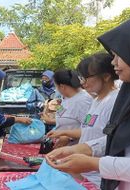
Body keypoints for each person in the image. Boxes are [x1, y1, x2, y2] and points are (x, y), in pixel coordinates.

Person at [46, 14, 130, 190]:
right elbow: (122, 139)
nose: (113, 63)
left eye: (119, 56)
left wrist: (94, 163)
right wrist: (84, 149)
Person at [46, 52, 119, 186]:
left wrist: (77, 147)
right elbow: (87, 130)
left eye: (86, 77)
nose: (82, 83)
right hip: (84, 172)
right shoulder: (96, 100)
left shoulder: (115, 102)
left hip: (98, 176)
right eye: (81, 77)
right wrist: (64, 134)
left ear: (106, 76)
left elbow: (114, 139)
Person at [40, 69, 93, 146]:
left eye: (56, 86)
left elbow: (89, 127)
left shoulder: (84, 101)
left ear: (62, 86)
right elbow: (67, 114)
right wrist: (51, 117)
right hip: (65, 146)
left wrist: (68, 137)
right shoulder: (66, 98)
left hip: (78, 148)